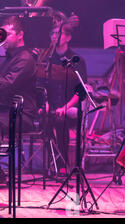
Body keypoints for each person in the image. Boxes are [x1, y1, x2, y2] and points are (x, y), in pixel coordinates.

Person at [35, 20, 87, 172]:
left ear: (68, 37)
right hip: (51, 103)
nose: (55, 36)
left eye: (59, 33)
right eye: (52, 33)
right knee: (46, 118)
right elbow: (41, 85)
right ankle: (52, 162)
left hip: (71, 105)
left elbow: (81, 90)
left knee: (60, 119)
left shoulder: (77, 59)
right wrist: (44, 104)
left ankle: (62, 163)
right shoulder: (47, 60)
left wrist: (66, 106)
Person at [0, 16, 37, 183]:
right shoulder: (9, 57)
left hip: (20, 114)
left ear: (20, 35)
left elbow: (7, 87)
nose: (2, 38)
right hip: (6, 110)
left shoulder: (25, 58)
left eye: (6, 34)